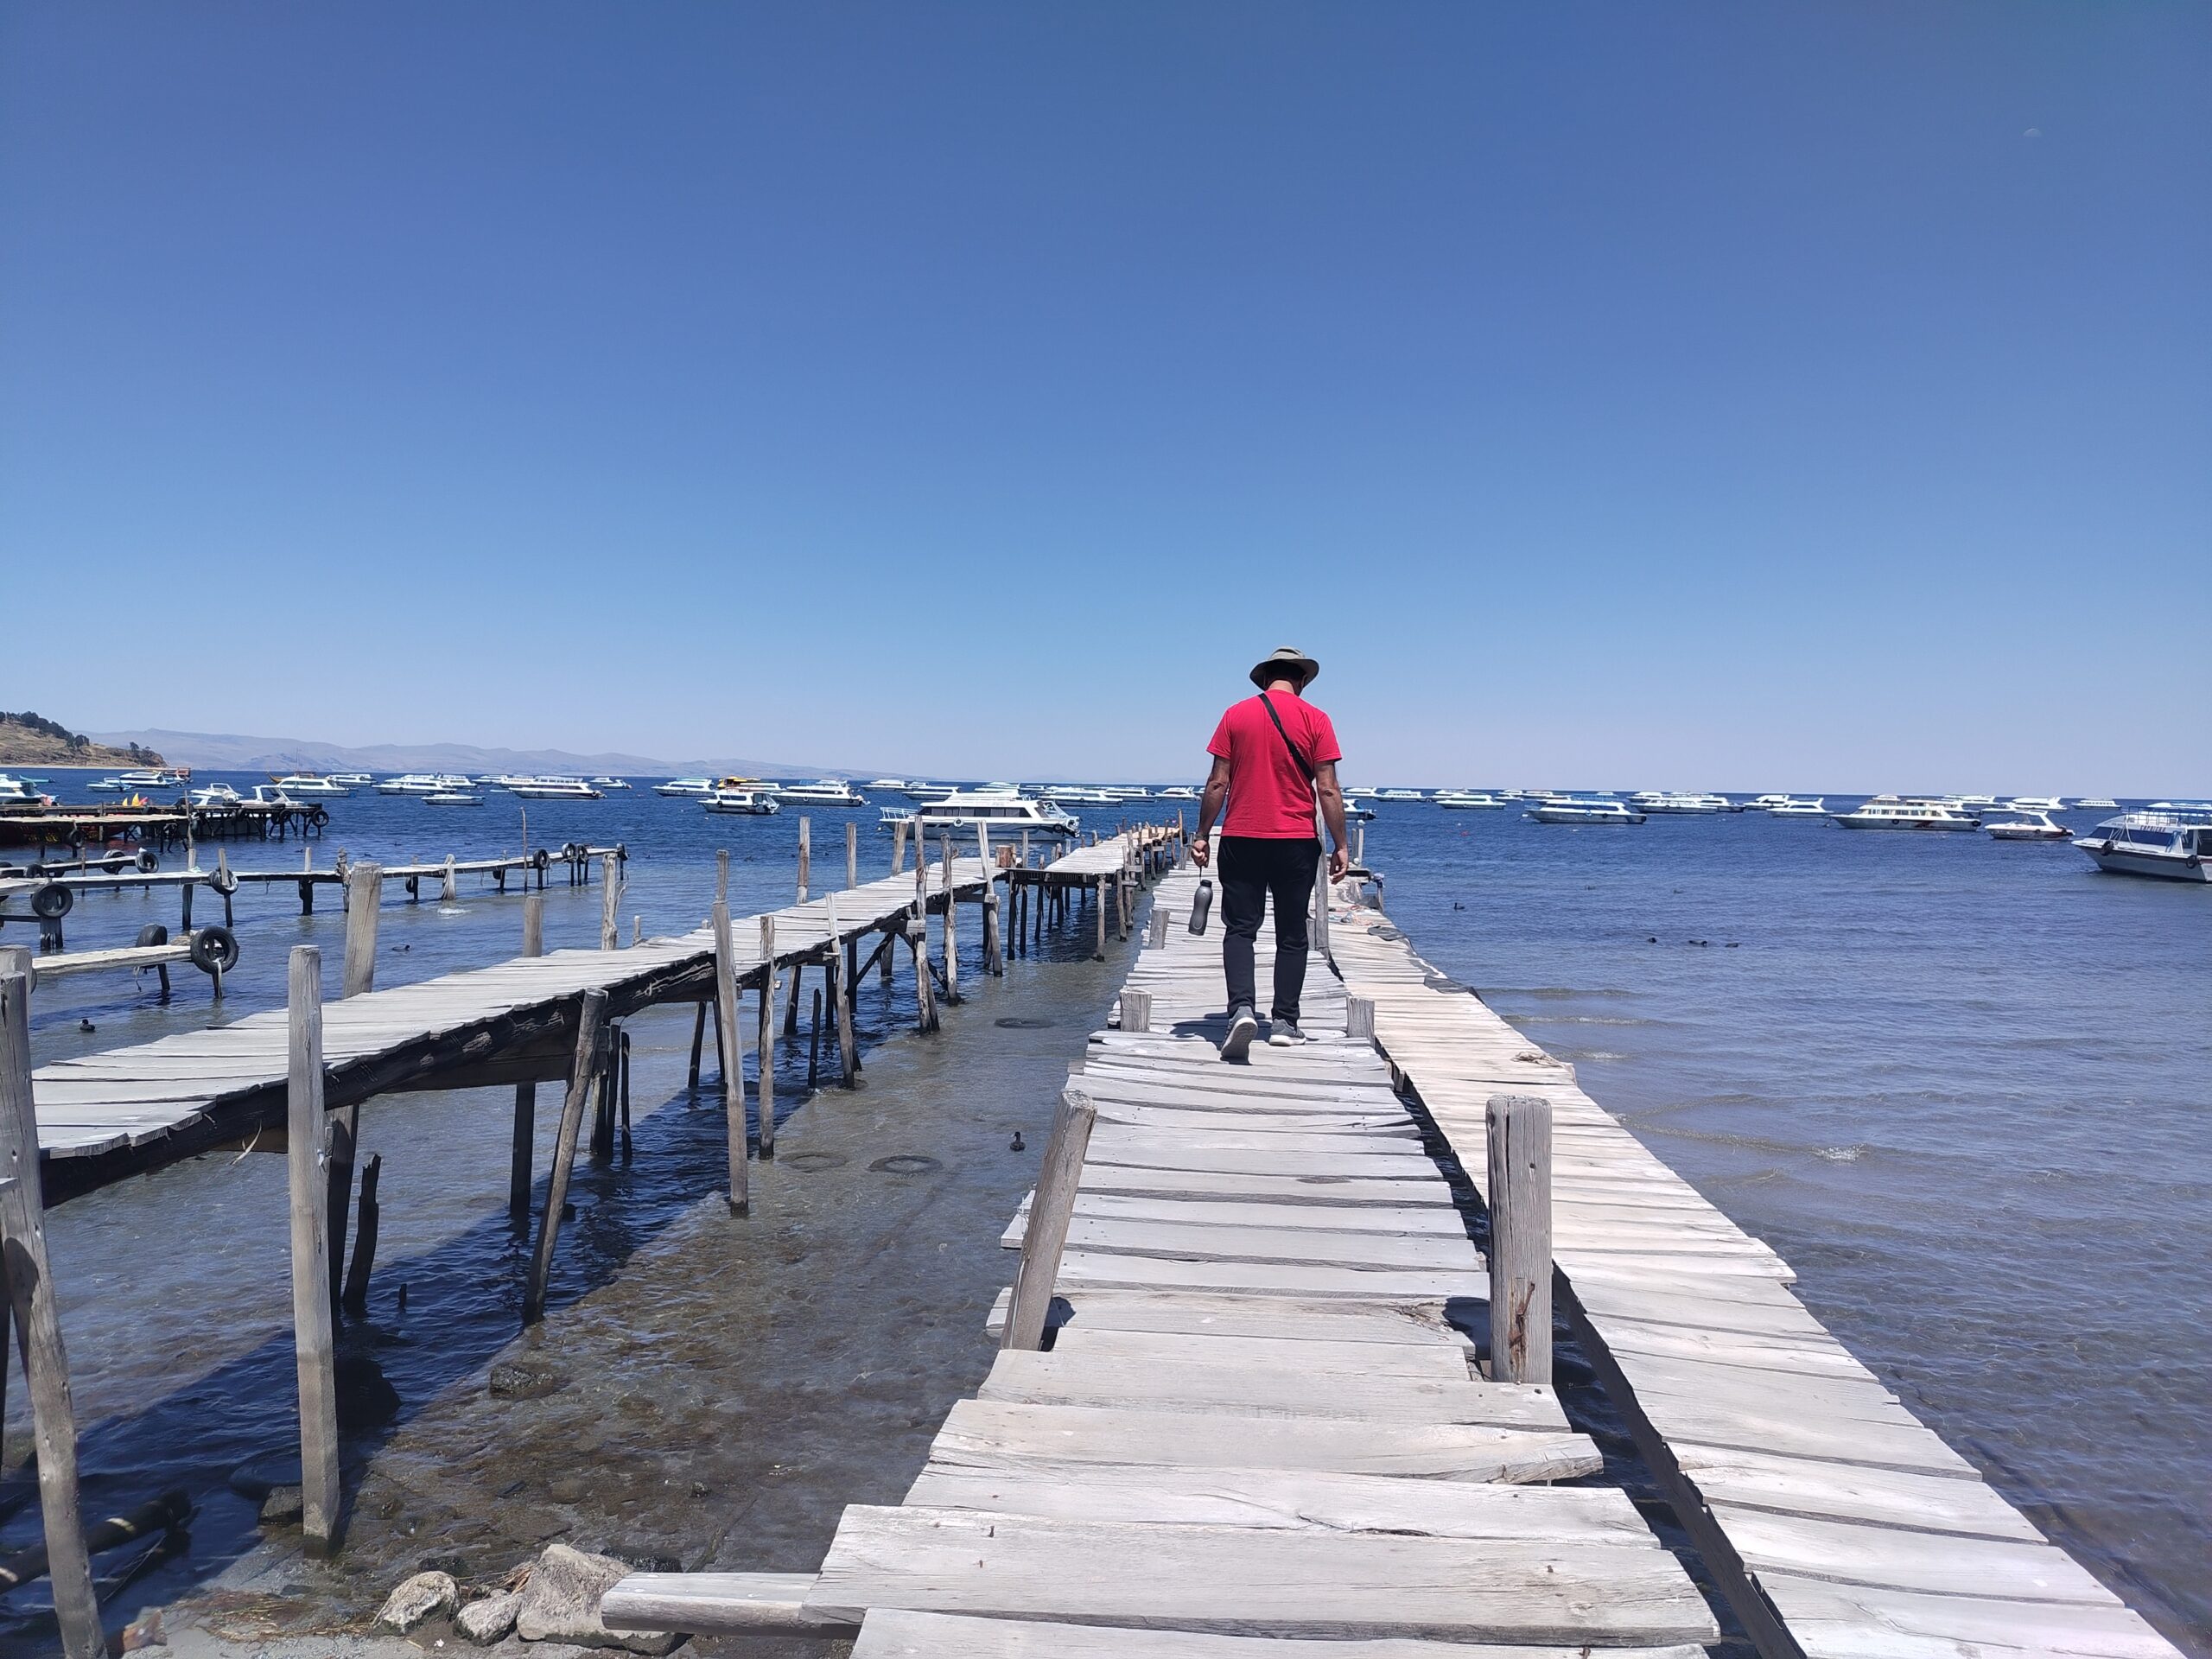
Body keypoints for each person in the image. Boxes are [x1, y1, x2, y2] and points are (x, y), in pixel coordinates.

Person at [1190, 646, 1351, 1058]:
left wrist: (1202, 833)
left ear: (1265, 679)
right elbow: (1328, 788)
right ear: (1300, 679)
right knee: (1293, 934)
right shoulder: (1317, 719)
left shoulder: (1235, 715)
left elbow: (1216, 783)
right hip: (1295, 841)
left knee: (1241, 929)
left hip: (1242, 837)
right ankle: (1284, 1022)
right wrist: (1341, 844)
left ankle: (1241, 1009)